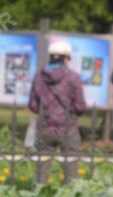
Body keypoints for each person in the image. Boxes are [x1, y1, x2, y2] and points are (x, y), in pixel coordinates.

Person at [28, 41, 86, 185]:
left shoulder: (39, 76)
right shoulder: (73, 77)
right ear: (66, 58)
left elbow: (33, 105)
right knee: (71, 169)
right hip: (67, 127)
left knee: (41, 169)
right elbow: (80, 106)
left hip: (45, 128)